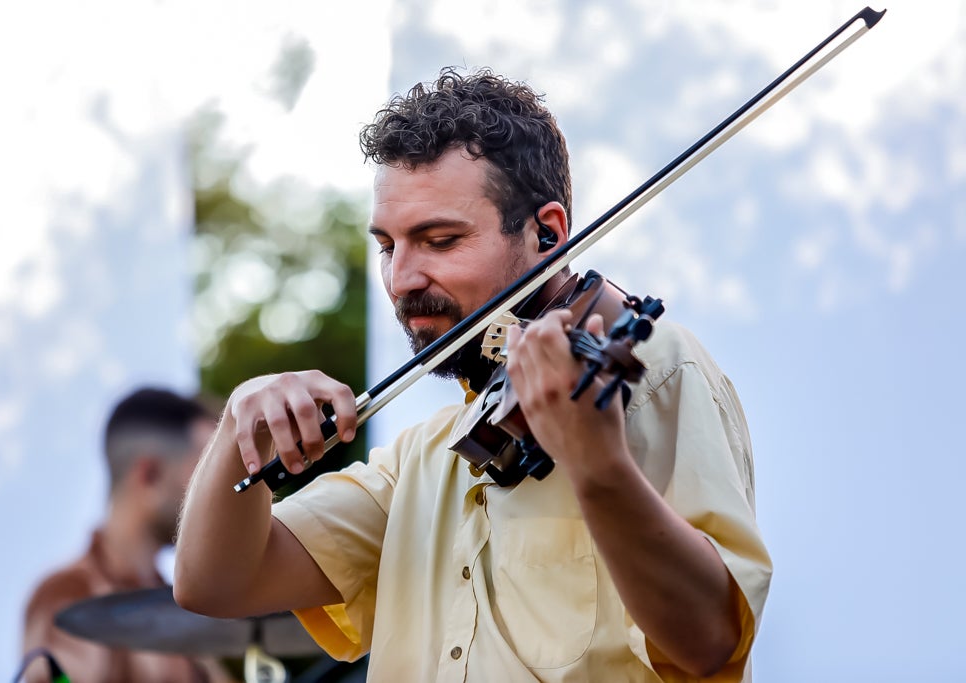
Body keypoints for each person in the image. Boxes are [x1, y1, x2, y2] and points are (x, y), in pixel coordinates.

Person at [174, 68, 772, 682]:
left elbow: (711, 640)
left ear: (548, 233)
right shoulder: (427, 454)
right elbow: (212, 583)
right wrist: (237, 436)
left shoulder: (653, 375)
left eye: (438, 241)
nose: (403, 279)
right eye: (388, 246)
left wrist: (598, 468)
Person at [21, 388, 233, 683]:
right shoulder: (72, 593)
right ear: (150, 475)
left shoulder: (180, 611)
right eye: (206, 468)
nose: (220, 488)